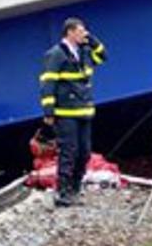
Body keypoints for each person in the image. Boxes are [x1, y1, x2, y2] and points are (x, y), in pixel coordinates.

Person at [39, 17, 107, 207]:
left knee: (84, 153)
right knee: (69, 152)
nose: (83, 34)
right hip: (66, 112)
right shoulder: (56, 54)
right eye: (80, 31)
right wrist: (49, 112)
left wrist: (91, 40)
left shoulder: (84, 52)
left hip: (84, 110)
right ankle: (62, 192)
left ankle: (75, 188)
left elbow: (102, 56)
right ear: (69, 32)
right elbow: (48, 83)